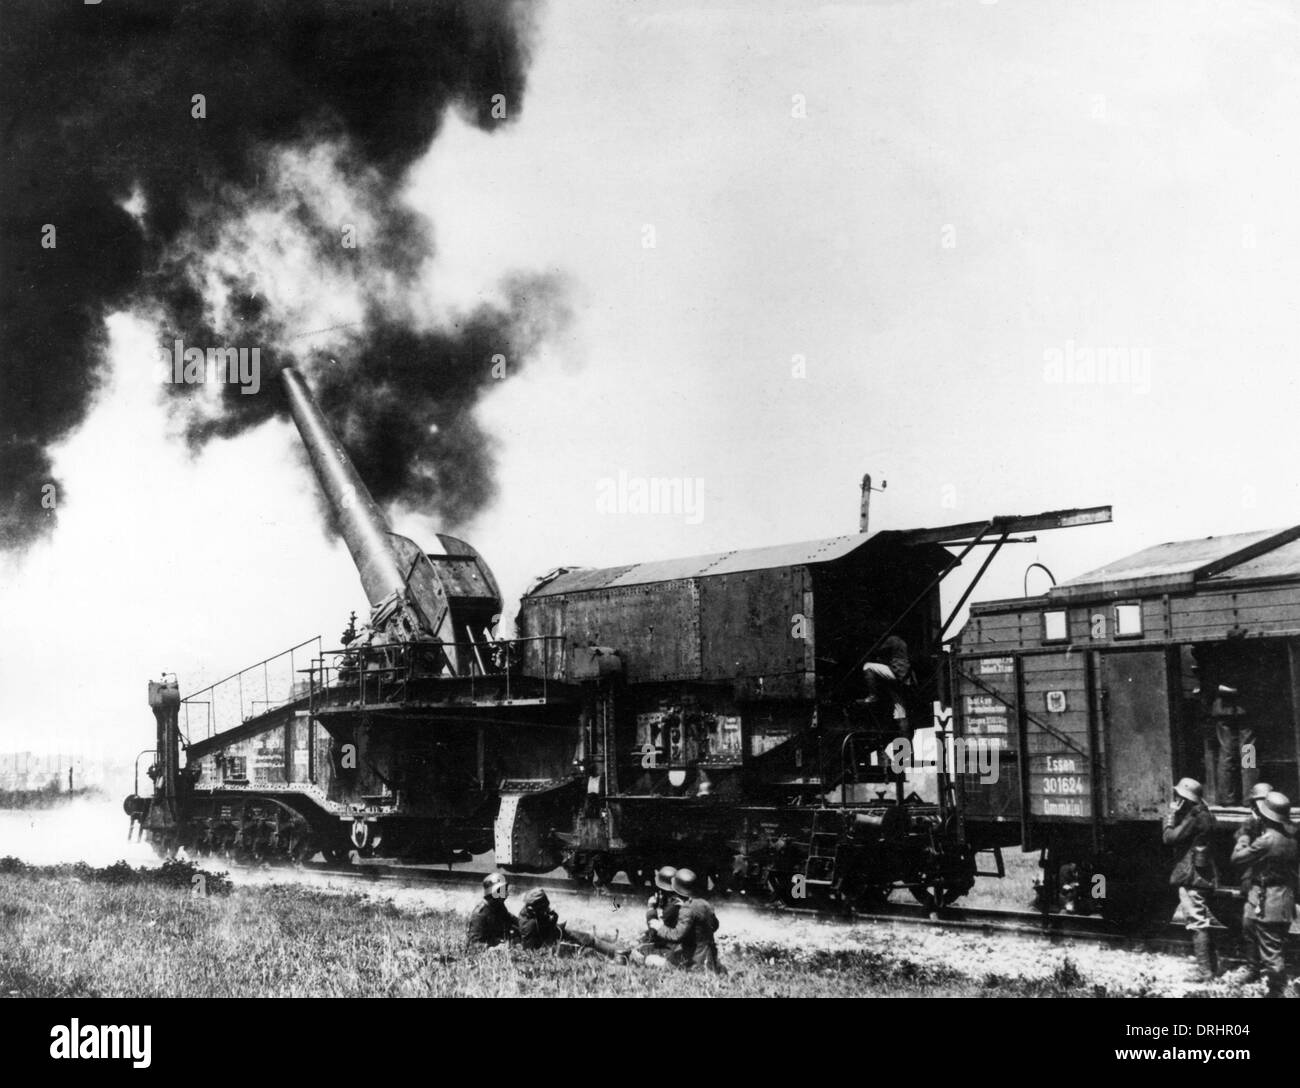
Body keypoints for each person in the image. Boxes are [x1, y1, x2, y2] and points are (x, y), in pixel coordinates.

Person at [1230, 791, 1298, 997]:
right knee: (1249, 924)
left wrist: (1243, 838)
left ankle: (1280, 991)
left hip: (1270, 899)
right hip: (1271, 895)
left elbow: (1236, 859)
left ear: (1265, 816)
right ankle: (1255, 970)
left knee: (1271, 951)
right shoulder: (1290, 837)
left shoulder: (1267, 840)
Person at [1162, 777, 1219, 980]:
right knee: (1201, 920)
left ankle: (1205, 973)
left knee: (1196, 922)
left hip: (1192, 875)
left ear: (1185, 799)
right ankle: (1211, 968)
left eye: (1179, 796)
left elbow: (1170, 838)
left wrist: (1171, 815)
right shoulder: (1206, 812)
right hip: (1202, 873)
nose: (1177, 798)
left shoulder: (1194, 816)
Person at [516, 888, 629, 961]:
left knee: (589, 939)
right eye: (544, 908)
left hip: (556, 935)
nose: (546, 909)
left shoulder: (530, 913)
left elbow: (544, 927)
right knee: (589, 946)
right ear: (537, 907)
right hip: (555, 944)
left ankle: (617, 951)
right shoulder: (530, 924)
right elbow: (530, 951)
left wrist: (553, 919)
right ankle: (618, 955)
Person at [649, 868, 723, 973]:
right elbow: (715, 925)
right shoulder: (705, 904)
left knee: (649, 959)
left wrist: (659, 926)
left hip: (693, 962)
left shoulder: (687, 909)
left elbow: (676, 935)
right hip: (710, 957)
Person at [861, 635, 912, 722]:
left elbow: (879, 651)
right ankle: (904, 732)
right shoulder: (902, 642)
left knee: (867, 666)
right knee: (899, 709)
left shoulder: (892, 639)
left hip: (897, 673)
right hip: (904, 678)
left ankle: (873, 696)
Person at [466, 872, 519, 950]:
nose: (506, 895)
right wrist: (493, 948)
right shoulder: (480, 914)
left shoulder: (499, 906)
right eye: (503, 891)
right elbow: (473, 945)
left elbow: (512, 920)